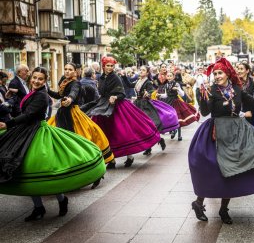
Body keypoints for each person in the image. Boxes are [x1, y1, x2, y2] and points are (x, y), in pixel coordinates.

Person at [0, 67, 105, 221]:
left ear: (45, 81)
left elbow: (29, 115)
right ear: (31, 78)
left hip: (36, 132)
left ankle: (62, 200)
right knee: (28, 170)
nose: (36, 81)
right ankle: (38, 207)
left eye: (40, 79)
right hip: (25, 131)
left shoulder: (42, 95)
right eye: (34, 78)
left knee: (45, 170)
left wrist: (8, 124)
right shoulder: (34, 92)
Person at [189, 58, 254, 224]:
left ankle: (224, 209)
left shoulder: (237, 89)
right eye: (215, 73)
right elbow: (204, 112)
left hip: (237, 131)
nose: (217, 76)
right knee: (215, 170)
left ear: (227, 74)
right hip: (217, 132)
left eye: (220, 73)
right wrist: (201, 96)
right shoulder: (212, 90)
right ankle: (199, 202)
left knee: (236, 169)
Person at [81, 56, 161, 168]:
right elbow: (102, 93)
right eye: (107, 65)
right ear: (103, 66)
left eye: (111, 66)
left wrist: (115, 96)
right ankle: (111, 159)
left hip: (117, 108)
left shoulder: (116, 77)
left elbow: (122, 94)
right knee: (105, 133)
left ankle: (129, 156)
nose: (109, 68)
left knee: (122, 132)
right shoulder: (101, 78)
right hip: (104, 106)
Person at [47, 62, 114, 188]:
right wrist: (47, 90)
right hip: (62, 114)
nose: (67, 71)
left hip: (73, 115)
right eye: (66, 69)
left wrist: (70, 99)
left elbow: (73, 92)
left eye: (70, 69)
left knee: (81, 142)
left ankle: (95, 172)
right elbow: (58, 95)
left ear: (75, 72)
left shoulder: (76, 82)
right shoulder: (64, 82)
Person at [120, 65, 171, 156]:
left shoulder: (148, 82)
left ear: (147, 73)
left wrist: (148, 93)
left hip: (145, 105)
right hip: (137, 104)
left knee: (147, 126)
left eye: (143, 70)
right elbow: (129, 85)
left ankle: (156, 141)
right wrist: (124, 76)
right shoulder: (138, 80)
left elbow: (152, 90)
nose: (141, 71)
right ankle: (150, 145)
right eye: (140, 70)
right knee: (138, 126)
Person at [156, 71, 199, 141]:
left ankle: (179, 135)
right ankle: (173, 130)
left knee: (178, 118)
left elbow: (182, 94)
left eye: (170, 76)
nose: (169, 77)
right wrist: (160, 95)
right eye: (168, 76)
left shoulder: (176, 84)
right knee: (171, 118)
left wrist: (178, 89)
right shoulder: (166, 85)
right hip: (168, 102)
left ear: (173, 77)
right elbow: (166, 95)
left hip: (176, 102)